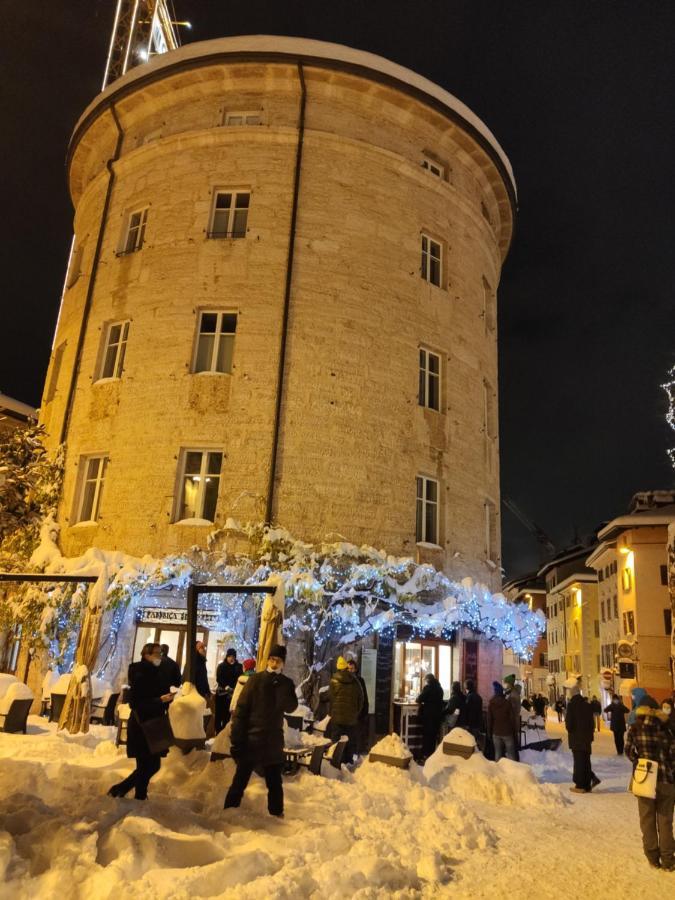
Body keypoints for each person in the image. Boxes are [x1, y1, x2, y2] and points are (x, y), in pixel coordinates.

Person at [224, 644, 298, 817]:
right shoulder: (256, 680)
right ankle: (227, 814)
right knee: (240, 780)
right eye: (272, 659)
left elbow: (291, 707)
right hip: (252, 739)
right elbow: (241, 711)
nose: (274, 663)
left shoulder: (286, 683)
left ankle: (276, 816)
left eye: (278, 660)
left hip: (273, 741)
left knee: (274, 784)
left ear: (283, 663)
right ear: (268, 660)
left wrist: (284, 689)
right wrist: (237, 740)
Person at [108, 642, 174, 800]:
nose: (160, 656)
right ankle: (121, 790)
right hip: (142, 725)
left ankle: (138, 795)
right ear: (147, 655)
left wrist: (167, 698)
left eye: (160, 653)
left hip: (153, 723)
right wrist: (159, 700)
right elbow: (136, 703)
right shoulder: (140, 673)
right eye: (156, 653)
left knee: (148, 765)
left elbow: (159, 694)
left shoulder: (158, 672)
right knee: (150, 765)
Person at [625, 697, 675, 870]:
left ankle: (653, 857)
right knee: (666, 821)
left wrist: (639, 762)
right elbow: (673, 755)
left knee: (647, 820)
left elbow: (629, 751)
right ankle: (668, 860)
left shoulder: (635, 728)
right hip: (666, 780)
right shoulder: (666, 728)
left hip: (645, 779)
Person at [328, 656, 364, 764]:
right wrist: (355, 713)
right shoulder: (355, 681)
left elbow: (331, 698)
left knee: (336, 741)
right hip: (351, 719)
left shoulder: (333, 680)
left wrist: (334, 712)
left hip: (337, 718)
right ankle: (348, 762)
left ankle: (336, 763)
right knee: (350, 741)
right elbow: (361, 699)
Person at [565, 686, 599, 793]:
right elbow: (591, 723)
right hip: (587, 738)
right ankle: (588, 784)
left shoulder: (571, 706)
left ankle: (580, 785)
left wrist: (570, 729)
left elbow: (569, 724)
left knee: (579, 761)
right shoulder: (587, 705)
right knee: (586, 760)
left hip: (576, 738)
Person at [416, 673, 445, 759]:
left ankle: (425, 755)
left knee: (427, 736)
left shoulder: (428, 688)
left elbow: (419, 699)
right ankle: (432, 755)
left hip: (428, 716)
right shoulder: (440, 689)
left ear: (428, 680)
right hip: (437, 716)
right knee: (433, 736)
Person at [487, 682, 517, 761]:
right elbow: (512, 718)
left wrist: (489, 732)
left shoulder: (491, 704)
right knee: (511, 754)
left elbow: (489, 719)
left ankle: (498, 770)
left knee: (498, 753)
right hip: (507, 732)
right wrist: (514, 730)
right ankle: (513, 770)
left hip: (496, 732)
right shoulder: (507, 703)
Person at [215, 648, 243, 732]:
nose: (231, 658)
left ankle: (224, 732)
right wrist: (225, 686)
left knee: (227, 716)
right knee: (218, 715)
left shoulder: (238, 667)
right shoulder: (221, 666)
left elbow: (239, 678)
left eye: (233, 656)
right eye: (230, 656)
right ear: (227, 656)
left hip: (231, 695)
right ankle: (217, 732)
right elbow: (219, 678)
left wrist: (234, 688)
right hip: (221, 694)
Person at [348, 658, 370, 754]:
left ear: (356, 669)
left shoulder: (360, 680)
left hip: (358, 715)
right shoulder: (346, 681)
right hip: (349, 715)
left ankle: (357, 755)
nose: (350, 671)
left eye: (352, 668)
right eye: (348, 669)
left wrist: (363, 713)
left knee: (357, 737)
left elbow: (364, 697)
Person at [504, 677, 522, 759]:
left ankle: (515, 759)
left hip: (513, 719)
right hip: (514, 719)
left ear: (509, 683)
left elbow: (513, 708)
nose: (505, 685)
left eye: (506, 683)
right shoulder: (512, 692)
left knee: (513, 739)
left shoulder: (513, 694)